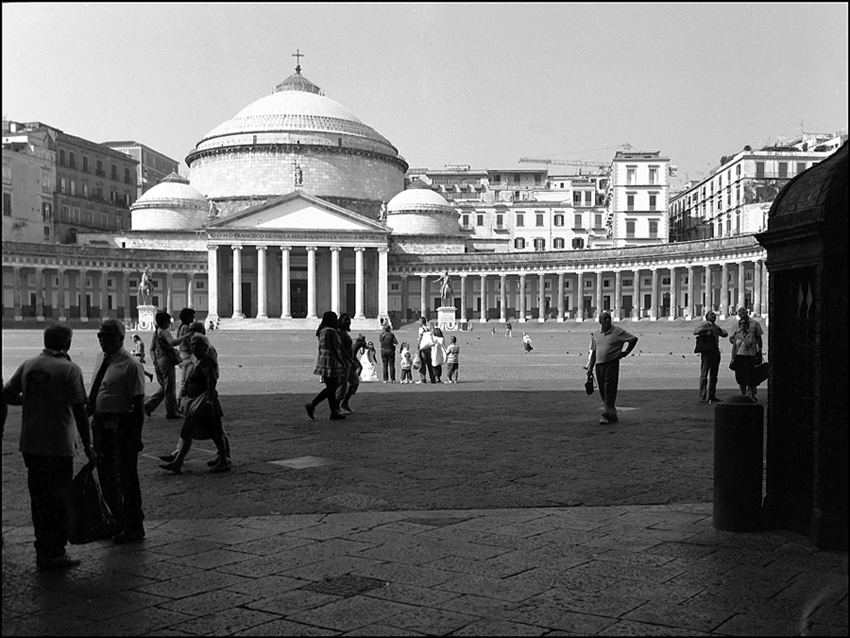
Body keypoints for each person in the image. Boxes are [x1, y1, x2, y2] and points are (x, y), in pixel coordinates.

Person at [2, 324, 97, 570]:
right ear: (67, 343)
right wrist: (88, 446)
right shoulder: (70, 369)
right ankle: (55, 553)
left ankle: (42, 550)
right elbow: (79, 410)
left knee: (39, 499)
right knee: (58, 499)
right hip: (59, 445)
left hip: (31, 444)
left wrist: (32, 400)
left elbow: (8, 394)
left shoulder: (29, 364)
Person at [89, 318, 147, 544]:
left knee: (126, 477)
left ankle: (134, 525)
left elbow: (138, 405)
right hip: (101, 426)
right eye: (99, 335)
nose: (101, 339)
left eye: (106, 335)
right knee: (106, 476)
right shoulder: (100, 359)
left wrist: (137, 436)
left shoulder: (131, 365)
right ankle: (118, 521)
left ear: (120, 338)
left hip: (121, 426)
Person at [159, 322, 230, 468]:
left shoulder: (207, 359)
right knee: (188, 432)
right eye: (192, 345)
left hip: (204, 403)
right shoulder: (196, 359)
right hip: (196, 404)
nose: (192, 347)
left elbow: (212, 379)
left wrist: (209, 401)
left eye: (195, 345)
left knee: (216, 433)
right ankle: (178, 461)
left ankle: (224, 459)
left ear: (204, 347)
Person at [586, 311, 639, 425]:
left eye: (609, 318)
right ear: (600, 321)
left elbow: (633, 339)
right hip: (599, 365)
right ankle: (611, 412)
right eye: (605, 318)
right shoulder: (596, 334)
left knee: (609, 388)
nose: (607, 320)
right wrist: (590, 368)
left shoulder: (617, 332)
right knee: (603, 390)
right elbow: (593, 352)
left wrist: (625, 353)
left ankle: (606, 414)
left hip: (611, 363)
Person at [305, 311, 346, 421]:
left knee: (331, 389)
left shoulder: (322, 331)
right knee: (332, 387)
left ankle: (334, 412)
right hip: (330, 362)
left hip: (324, 360)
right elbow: (333, 348)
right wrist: (341, 362)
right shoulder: (330, 332)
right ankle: (312, 405)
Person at [144, 311, 180, 419]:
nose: (169, 323)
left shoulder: (155, 333)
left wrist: (155, 361)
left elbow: (151, 350)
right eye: (168, 321)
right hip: (166, 361)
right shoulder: (164, 332)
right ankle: (171, 412)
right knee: (169, 387)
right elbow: (173, 343)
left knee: (165, 387)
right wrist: (186, 336)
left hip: (159, 362)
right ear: (164, 322)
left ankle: (149, 406)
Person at [693, 310, 728, 404]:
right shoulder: (704, 325)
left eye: (714, 315)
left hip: (715, 350)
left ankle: (711, 395)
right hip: (707, 351)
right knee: (704, 375)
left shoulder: (716, 327)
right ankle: (703, 396)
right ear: (706, 317)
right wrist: (706, 330)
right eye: (711, 315)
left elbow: (725, 334)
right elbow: (695, 331)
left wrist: (718, 331)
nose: (714, 316)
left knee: (714, 375)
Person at [729, 317, 759, 400]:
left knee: (750, 377)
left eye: (745, 323)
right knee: (740, 377)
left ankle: (752, 395)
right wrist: (733, 358)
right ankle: (743, 395)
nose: (743, 325)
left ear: (748, 325)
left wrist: (742, 338)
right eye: (741, 324)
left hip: (748, 358)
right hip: (739, 358)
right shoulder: (737, 336)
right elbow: (734, 348)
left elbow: (749, 344)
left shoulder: (751, 335)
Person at [335, 313, 357, 415]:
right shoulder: (339, 333)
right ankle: (337, 406)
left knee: (354, 382)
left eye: (349, 320)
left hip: (348, 360)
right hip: (344, 361)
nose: (347, 322)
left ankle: (344, 402)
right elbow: (342, 349)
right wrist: (349, 359)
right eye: (345, 320)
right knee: (342, 385)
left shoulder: (344, 332)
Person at [174, 308, 197, 403]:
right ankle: (179, 401)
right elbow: (190, 341)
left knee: (186, 380)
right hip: (187, 355)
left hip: (182, 354)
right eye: (192, 316)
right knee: (184, 381)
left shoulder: (181, 327)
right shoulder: (186, 328)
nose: (193, 318)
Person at [416, 317, 437, 384]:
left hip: (423, 347)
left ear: (421, 322)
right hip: (428, 347)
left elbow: (420, 338)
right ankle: (432, 378)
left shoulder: (421, 329)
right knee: (429, 364)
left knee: (422, 363)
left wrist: (418, 348)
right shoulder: (428, 328)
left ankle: (423, 379)